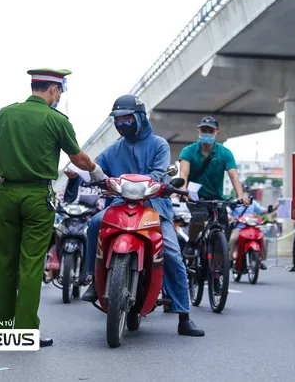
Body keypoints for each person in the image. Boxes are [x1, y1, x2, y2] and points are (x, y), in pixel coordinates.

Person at [0, 68, 106, 347]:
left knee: (5, 263)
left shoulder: (5, 114)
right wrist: (97, 171)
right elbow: (78, 159)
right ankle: (24, 332)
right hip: (36, 196)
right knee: (30, 264)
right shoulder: (57, 120)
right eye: (60, 92)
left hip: (6, 194)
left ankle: (2, 331)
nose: (59, 97)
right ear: (54, 90)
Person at [78, 95, 204, 337]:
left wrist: (159, 185)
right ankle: (93, 278)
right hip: (118, 205)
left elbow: (159, 174)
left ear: (140, 118)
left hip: (154, 207)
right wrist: (78, 173)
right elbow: (96, 170)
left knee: (172, 252)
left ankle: (183, 315)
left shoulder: (159, 145)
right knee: (94, 223)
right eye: (118, 119)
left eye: (127, 118)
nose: (122, 123)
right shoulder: (113, 150)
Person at [178, 116, 249, 258]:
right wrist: (183, 190)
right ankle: (192, 243)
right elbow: (183, 174)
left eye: (210, 130)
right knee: (197, 218)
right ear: (198, 131)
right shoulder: (188, 151)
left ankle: (217, 270)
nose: (207, 133)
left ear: (217, 132)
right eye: (204, 130)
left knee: (223, 230)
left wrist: (241, 195)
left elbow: (234, 176)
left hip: (217, 198)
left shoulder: (225, 153)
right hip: (195, 196)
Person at [228, 191, 277, 270]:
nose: (246, 200)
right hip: (239, 228)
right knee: (233, 239)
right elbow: (228, 212)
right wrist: (230, 217)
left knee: (262, 239)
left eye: (248, 198)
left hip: (251, 227)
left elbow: (262, 211)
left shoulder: (253, 203)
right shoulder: (234, 203)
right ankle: (230, 259)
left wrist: (274, 207)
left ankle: (260, 260)